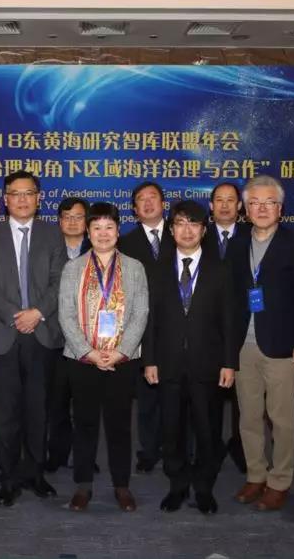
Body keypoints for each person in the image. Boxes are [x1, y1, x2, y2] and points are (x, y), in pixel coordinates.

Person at [0, 170, 66, 507]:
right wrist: (17, 315)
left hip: (42, 335)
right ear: (6, 199)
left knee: (38, 411)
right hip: (4, 334)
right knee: (5, 413)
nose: (23, 199)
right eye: (16, 193)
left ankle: (36, 474)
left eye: (29, 193)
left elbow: (60, 280)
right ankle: (9, 478)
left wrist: (37, 312)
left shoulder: (52, 234)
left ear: (39, 198)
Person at [143, 201, 237, 515]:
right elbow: (150, 320)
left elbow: (229, 321)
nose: (187, 230)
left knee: (207, 429)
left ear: (204, 230)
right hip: (167, 364)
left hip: (207, 364)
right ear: (171, 230)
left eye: (194, 224)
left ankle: (204, 488)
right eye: (180, 224)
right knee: (172, 430)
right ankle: (178, 485)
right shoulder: (156, 270)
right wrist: (149, 360)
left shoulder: (220, 270)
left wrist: (229, 363)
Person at [230, 175, 294, 511]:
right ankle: (256, 475)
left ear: (280, 208)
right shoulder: (237, 243)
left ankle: (280, 481)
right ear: (245, 209)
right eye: (254, 203)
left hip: (282, 346)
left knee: (281, 419)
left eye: (269, 203)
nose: (262, 208)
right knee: (248, 417)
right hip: (243, 345)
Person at [58, 202, 148, 512]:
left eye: (109, 227)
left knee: (120, 424)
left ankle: (122, 485)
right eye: (97, 227)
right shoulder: (73, 269)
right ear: (88, 231)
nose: (103, 233)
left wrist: (121, 351)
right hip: (82, 359)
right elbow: (66, 315)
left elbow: (141, 313)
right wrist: (89, 352)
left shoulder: (134, 268)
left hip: (123, 360)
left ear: (118, 231)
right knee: (84, 423)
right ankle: (83, 485)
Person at [118, 181, 175, 474]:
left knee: (178, 392)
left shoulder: (182, 235)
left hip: (178, 327)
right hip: (141, 328)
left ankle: (178, 448)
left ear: (164, 203)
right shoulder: (125, 244)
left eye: (153, 197)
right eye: (141, 199)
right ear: (134, 209)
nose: (148, 202)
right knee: (147, 395)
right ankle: (149, 449)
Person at [201, 181, 250, 473]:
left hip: (244, 324)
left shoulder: (251, 235)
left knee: (244, 394)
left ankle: (241, 444)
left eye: (230, 200)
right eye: (219, 200)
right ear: (211, 206)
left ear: (239, 206)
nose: (224, 205)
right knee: (210, 393)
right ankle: (212, 446)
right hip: (205, 327)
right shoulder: (198, 234)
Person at [46, 196, 92, 473]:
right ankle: (58, 453)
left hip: (89, 340)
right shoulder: (47, 249)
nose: (73, 222)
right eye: (67, 217)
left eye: (78, 216)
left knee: (87, 404)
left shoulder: (99, 248)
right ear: (59, 221)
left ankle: (85, 457)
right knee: (56, 402)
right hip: (54, 338)